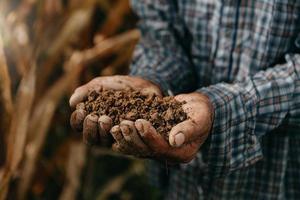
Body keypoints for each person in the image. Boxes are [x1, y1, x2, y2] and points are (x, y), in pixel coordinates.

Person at [69, 0, 300, 199]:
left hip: (275, 182)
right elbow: (162, 37)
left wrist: (221, 110)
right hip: (182, 187)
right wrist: (153, 78)